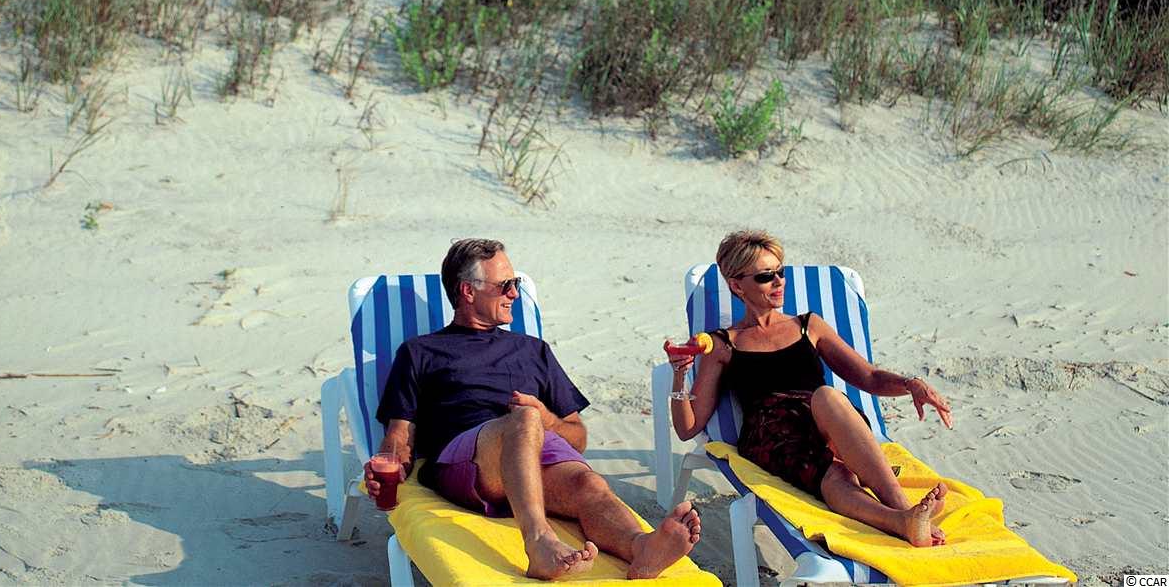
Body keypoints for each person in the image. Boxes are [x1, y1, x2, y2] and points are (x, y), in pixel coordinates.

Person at [366, 238, 702, 581]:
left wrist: (549, 420)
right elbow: (399, 434)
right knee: (524, 419)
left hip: (533, 457)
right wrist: (389, 467)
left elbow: (578, 438)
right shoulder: (421, 352)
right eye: (505, 285)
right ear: (468, 291)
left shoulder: (534, 350)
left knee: (587, 483)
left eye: (516, 284)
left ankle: (641, 548)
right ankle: (539, 541)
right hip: (469, 461)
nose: (514, 294)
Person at [667, 230, 954, 547]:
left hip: (827, 421)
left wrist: (911, 385)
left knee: (828, 397)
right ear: (737, 286)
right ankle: (903, 519)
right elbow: (688, 428)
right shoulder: (723, 343)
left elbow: (869, 377)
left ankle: (904, 510)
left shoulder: (808, 325)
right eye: (765, 276)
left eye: (780, 272)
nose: (778, 282)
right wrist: (679, 375)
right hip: (776, 434)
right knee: (836, 474)